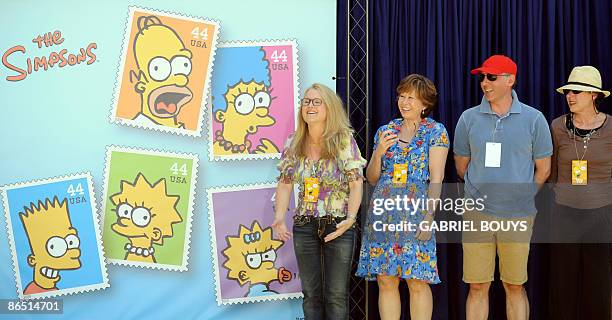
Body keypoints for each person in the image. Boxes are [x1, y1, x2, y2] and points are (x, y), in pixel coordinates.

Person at [453, 55, 552, 320]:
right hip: (476, 214)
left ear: (510, 80)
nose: (484, 83)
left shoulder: (534, 119)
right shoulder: (468, 119)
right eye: (482, 77)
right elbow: (461, 166)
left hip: (517, 215)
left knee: (515, 285)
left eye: (491, 77)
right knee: (476, 286)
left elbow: (543, 170)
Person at [356, 74, 450, 320]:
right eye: (402, 96)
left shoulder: (435, 131)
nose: (404, 102)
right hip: (384, 210)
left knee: (417, 279)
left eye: (411, 97)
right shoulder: (385, 130)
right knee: (386, 280)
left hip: (417, 211)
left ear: (424, 104)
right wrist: (378, 152)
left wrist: (429, 216)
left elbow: (437, 177)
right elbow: (372, 178)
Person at [272, 83, 366, 320]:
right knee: (311, 294)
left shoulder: (343, 140)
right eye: (306, 101)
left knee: (336, 295)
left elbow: (356, 183)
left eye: (316, 101)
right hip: (305, 225)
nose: (309, 106)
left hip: (339, 226)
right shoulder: (294, 142)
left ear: (329, 108)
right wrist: (279, 218)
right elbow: (284, 183)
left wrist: (351, 219)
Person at [548, 65, 612, 320]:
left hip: (602, 215)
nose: (570, 96)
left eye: (577, 91)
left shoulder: (610, 128)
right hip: (565, 214)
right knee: (562, 283)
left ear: (594, 95)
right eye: (568, 91)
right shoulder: (557, 126)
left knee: (598, 284)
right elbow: (550, 169)